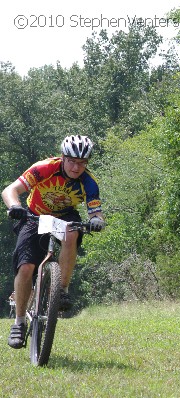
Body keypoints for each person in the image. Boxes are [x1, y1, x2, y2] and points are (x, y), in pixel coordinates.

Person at [2, 135, 106, 349]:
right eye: (72, 161)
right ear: (63, 157)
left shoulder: (89, 181)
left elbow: (96, 212)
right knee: (26, 267)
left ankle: (62, 290)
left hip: (66, 216)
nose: (77, 167)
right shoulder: (44, 168)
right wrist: (14, 207)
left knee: (72, 232)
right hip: (34, 215)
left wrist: (96, 221)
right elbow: (9, 190)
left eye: (82, 163)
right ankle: (19, 323)